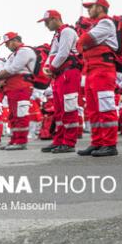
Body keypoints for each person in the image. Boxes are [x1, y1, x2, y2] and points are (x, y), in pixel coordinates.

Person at [76, 0, 120, 156]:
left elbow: (85, 40)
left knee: (105, 107)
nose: (88, 10)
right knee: (93, 109)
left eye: (91, 7)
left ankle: (109, 144)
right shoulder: (96, 25)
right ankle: (97, 142)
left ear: (101, 8)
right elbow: (80, 46)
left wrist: (82, 42)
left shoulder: (106, 23)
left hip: (103, 70)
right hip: (91, 70)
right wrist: (82, 43)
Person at [38, 9, 82, 153]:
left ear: (55, 19)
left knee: (69, 108)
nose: (46, 25)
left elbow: (63, 53)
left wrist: (50, 68)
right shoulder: (58, 35)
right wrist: (46, 67)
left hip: (69, 74)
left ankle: (69, 142)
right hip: (59, 75)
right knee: (59, 110)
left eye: (47, 22)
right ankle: (59, 140)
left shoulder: (67, 32)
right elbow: (53, 54)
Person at [0, 32, 36, 150]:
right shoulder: (14, 54)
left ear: (14, 41)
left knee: (20, 115)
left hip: (21, 87)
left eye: (7, 43)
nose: (7, 46)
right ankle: (14, 140)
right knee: (13, 116)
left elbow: (14, 68)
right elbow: (7, 69)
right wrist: (1, 76)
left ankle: (21, 141)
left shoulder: (24, 51)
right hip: (13, 88)